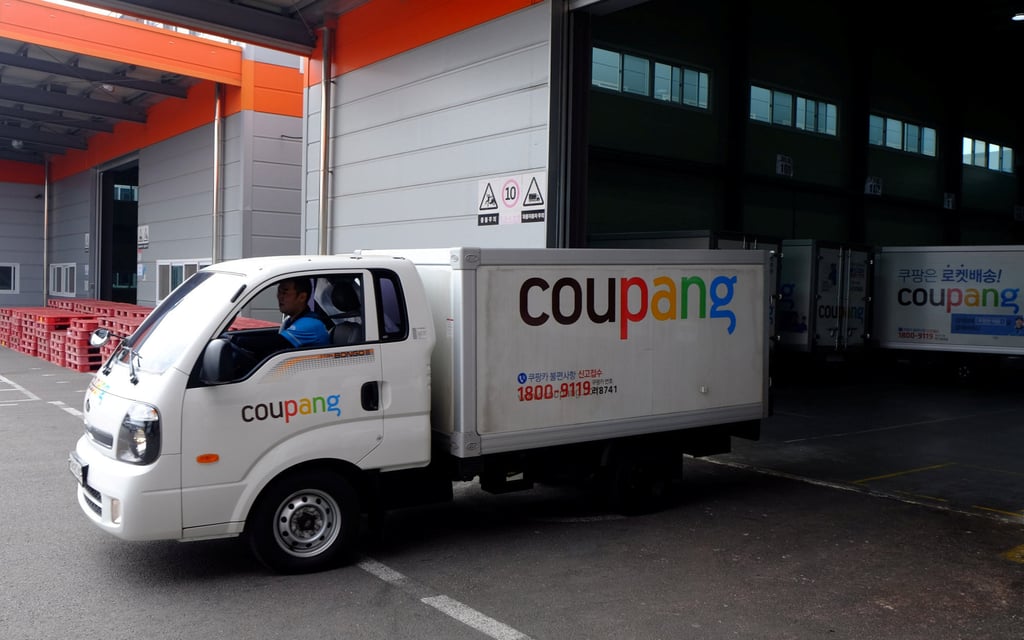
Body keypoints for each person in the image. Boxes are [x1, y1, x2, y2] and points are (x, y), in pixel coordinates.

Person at [276, 277, 330, 348]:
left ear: (302, 297)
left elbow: (275, 344)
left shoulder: (310, 324)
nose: (280, 297)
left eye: (285, 292)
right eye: (279, 292)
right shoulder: (289, 321)